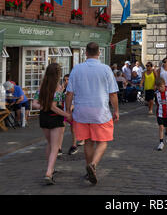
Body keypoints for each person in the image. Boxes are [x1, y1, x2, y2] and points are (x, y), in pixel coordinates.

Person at [65, 42, 119, 185]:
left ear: (86, 53)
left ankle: (88, 170)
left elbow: (69, 93)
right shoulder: (106, 69)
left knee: (88, 142)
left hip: (81, 111)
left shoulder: (77, 69)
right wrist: (116, 110)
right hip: (100, 111)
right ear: (99, 53)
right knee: (103, 142)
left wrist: (67, 111)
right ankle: (93, 165)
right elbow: (113, 94)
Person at [32, 63, 71, 184]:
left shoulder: (42, 86)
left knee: (49, 144)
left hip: (43, 117)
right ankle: (49, 173)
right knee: (55, 147)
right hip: (55, 118)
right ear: (58, 74)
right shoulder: (58, 87)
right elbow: (54, 107)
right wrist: (67, 115)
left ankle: (51, 168)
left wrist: (43, 107)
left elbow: (34, 104)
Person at [154, 78, 167, 151]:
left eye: (162, 86)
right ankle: (161, 143)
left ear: (164, 84)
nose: (160, 88)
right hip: (160, 113)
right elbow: (156, 102)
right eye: (159, 87)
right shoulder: (156, 93)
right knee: (161, 127)